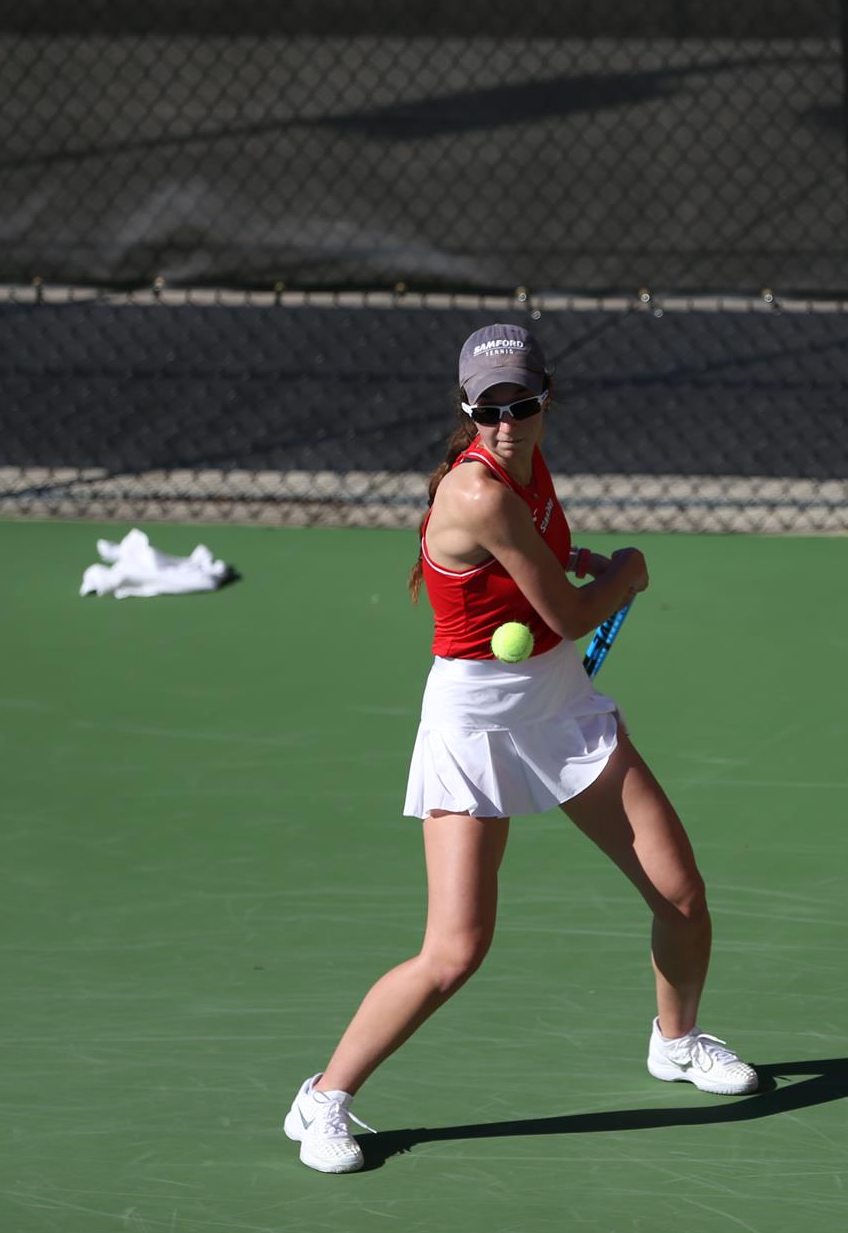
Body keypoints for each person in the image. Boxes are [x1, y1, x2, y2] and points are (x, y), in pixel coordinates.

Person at [283, 323, 759, 1174]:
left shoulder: (530, 465)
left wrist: (580, 558)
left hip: (560, 703)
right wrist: (629, 571)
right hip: (474, 723)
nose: (507, 423)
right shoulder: (478, 491)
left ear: (546, 400)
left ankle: (677, 1041)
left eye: (523, 404)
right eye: (489, 410)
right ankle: (323, 1096)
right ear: (467, 410)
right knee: (454, 950)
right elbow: (570, 615)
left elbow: (543, 556)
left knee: (681, 896)